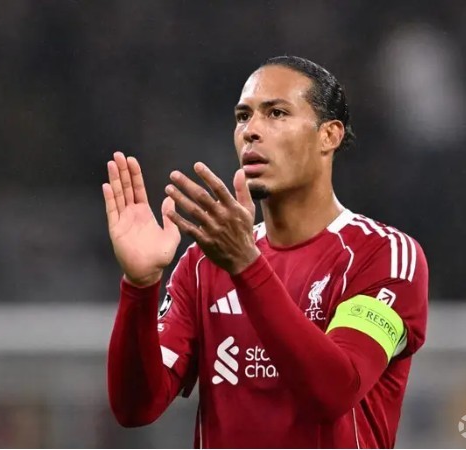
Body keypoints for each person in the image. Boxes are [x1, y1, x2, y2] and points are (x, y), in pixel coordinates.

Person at [103, 55, 428, 449]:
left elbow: (334, 391)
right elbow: (135, 407)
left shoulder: (383, 255)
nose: (251, 131)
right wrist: (140, 286)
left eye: (276, 113)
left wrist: (246, 266)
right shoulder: (205, 263)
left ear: (329, 135)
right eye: (243, 117)